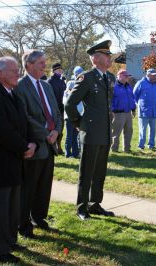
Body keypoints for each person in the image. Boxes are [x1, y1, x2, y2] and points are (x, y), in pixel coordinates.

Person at [0, 57, 37, 263]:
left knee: (13, 206)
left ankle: (10, 240)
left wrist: (32, 143)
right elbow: (1, 132)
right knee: (1, 207)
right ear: (0, 73)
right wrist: (24, 147)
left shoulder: (12, 95)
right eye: (13, 71)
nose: (18, 74)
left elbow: (24, 122)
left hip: (16, 160)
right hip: (1, 163)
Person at [64, 40, 116, 220]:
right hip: (91, 131)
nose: (110, 58)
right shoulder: (87, 77)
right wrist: (78, 123)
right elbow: (70, 104)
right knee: (86, 172)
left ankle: (95, 204)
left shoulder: (109, 77)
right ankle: (81, 207)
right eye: (107, 55)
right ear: (96, 58)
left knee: (100, 172)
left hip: (105, 132)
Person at [14, 50, 62, 237]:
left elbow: (56, 112)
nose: (45, 65)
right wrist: (45, 134)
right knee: (29, 187)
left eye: (45, 61)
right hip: (34, 145)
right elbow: (24, 116)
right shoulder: (20, 86)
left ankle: (39, 218)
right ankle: (23, 224)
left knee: (44, 185)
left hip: (50, 145)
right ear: (29, 65)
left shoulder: (46, 85)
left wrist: (56, 131)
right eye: (41, 62)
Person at [133, 68, 156, 150]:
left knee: (153, 130)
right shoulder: (141, 83)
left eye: (155, 75)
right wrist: (140, 104)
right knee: (143, 130)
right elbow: (134, 95)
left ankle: (151, 145)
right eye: (153, 75)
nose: (155, 76)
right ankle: (141, 146)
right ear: (148, 75)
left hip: (154, 111)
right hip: (143, 111)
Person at [111, 69, 136, 152]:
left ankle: (127, 149)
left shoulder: (128, 86)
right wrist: (112, 111)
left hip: (128, 113)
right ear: (119, 76)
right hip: (118, 113)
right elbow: (110, 100)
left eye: (127, 76)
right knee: (116, 133)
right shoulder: (114, 86)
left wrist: (133, 109)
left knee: (129, 131)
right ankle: (114, 149)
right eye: (125, 76)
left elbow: (132, 98)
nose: (127, 78)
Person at [63, 66, 84, 158]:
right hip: (69, 116)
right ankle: (68, 153)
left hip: (78, 115)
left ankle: (75, 153)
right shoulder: (71, 83)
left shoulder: (82, 83)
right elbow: (67, 101)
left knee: (76, 135)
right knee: (69, 136)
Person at [47, 63, 66, 154]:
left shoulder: (62, 81)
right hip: (52, 109)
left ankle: (59, 146)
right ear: (54, 70)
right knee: (52, 129)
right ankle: (52, 146)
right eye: (58, 70)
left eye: (61, 70)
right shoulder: (49, 81)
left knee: (60, 129)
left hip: (61, 108)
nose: (60, 71)